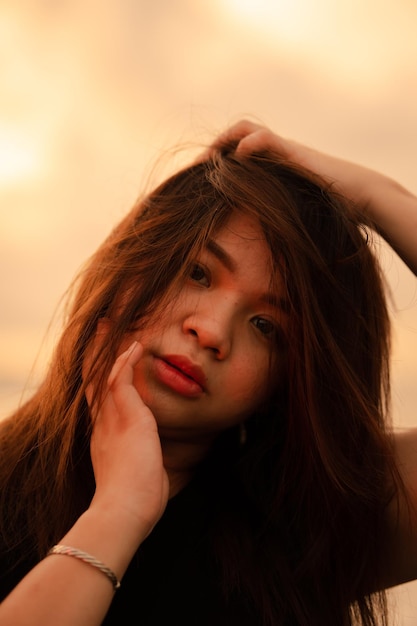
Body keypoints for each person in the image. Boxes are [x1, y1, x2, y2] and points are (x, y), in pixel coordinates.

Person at [0, 119, 416, 626]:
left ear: (286, 383)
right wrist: (117, 513)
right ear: (133, 262)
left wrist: (377, 196)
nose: (213, 331)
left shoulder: (309, 527)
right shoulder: (7, 485)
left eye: (267, 326)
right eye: (197, 273)